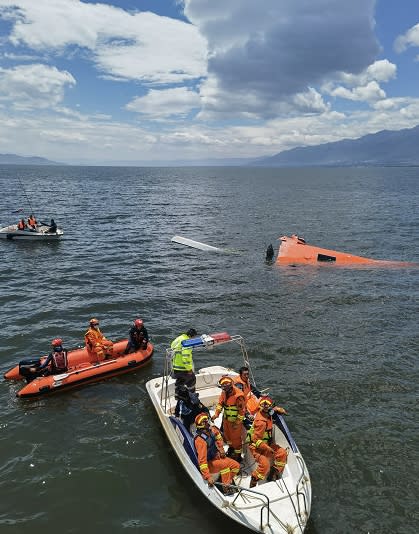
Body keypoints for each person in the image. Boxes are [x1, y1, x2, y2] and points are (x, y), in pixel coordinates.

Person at [194, 412, 240, 496]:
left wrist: (221, 449)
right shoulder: (200, 440)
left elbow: (218, 436)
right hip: (209, 463)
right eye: (204, 421)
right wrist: (208, 476)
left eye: (206, 420)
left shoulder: (211, 430)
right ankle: (226, 488)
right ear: (200, 425)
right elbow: (202, 461)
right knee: (225, 465)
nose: (207, 422)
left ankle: (227, 481)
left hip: (216, 457)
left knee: (236, 466)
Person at [247, 396, 288, 488]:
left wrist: (278, 409)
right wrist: (268, 448)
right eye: (263, 405)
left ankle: (274, 472)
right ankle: (254, 480)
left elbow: (270, 409)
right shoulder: (261, 422)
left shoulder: (267, 412)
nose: (266, 407)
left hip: (266, 445)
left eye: (268, 405)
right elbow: (255, 440)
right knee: (265, 465)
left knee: (282, 453)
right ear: (261, 406)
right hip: (257, 448)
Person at [211, 375, 246, 462]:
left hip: (235, 423)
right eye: (223, 388)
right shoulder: (224, 392)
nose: (224, 390)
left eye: (225, 388)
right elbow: (220, 404)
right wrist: (216, 414)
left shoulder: (239, 396)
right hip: (226, 420)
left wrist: (237, 423)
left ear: (230, 387)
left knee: (236, 440)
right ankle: (231, 449)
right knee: (227, 437)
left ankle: (238, 457)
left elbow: (242, 412)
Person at [170, 327, 198, 394]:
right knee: (192, 380)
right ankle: (192, 395)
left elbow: (172, 346)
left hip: (175, 366)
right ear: (192, 336)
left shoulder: (180, 338)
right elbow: (186, 357)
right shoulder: (187, 342)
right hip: (183, 367)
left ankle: (178, 395)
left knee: (180, 381)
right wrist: (189, 369)